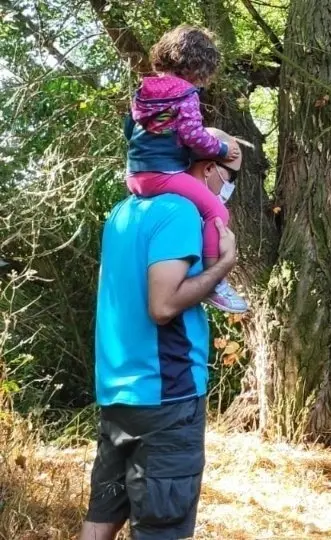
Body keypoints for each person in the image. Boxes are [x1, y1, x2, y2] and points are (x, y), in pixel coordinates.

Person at [79, 128, 242, 540]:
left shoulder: (125, 210)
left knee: (102, 517)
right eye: (231, 175)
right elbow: (163, 305)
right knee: (162, 528)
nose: (229, 187)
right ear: (207, 167)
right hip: (166, 396)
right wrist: (221, 268)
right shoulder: (179, 212)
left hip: (119, 391)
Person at [125, 24, 247, 313]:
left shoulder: (144, 91)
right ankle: (215, 282)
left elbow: (129, 129)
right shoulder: (186, 94)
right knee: (217, 212)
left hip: (136, 175)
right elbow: (193, 135)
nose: (204, 85)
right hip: (163, 173)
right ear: (198, 67)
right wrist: (220, 150)